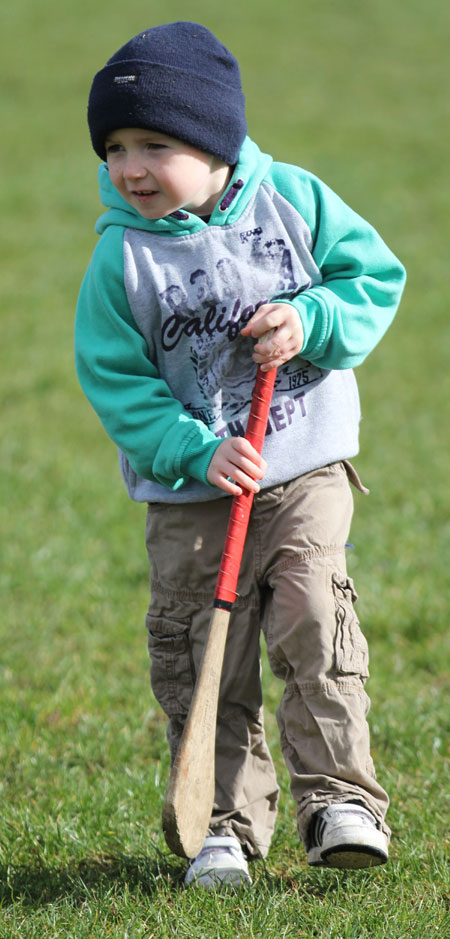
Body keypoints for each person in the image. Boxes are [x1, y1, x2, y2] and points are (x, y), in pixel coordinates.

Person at [75, 21, 406, 888]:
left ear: (216, 142)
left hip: (302, 468)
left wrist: (312, 321)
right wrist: (191, 449)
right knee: (199, 655)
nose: (130, 167)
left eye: (155, 143)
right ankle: (222, 825)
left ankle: (340, 799)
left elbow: (373, 277)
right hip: (191, 496)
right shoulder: (122, 259)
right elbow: (116, 382)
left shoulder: (292, 200)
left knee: (311, 620)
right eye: (114, 147)